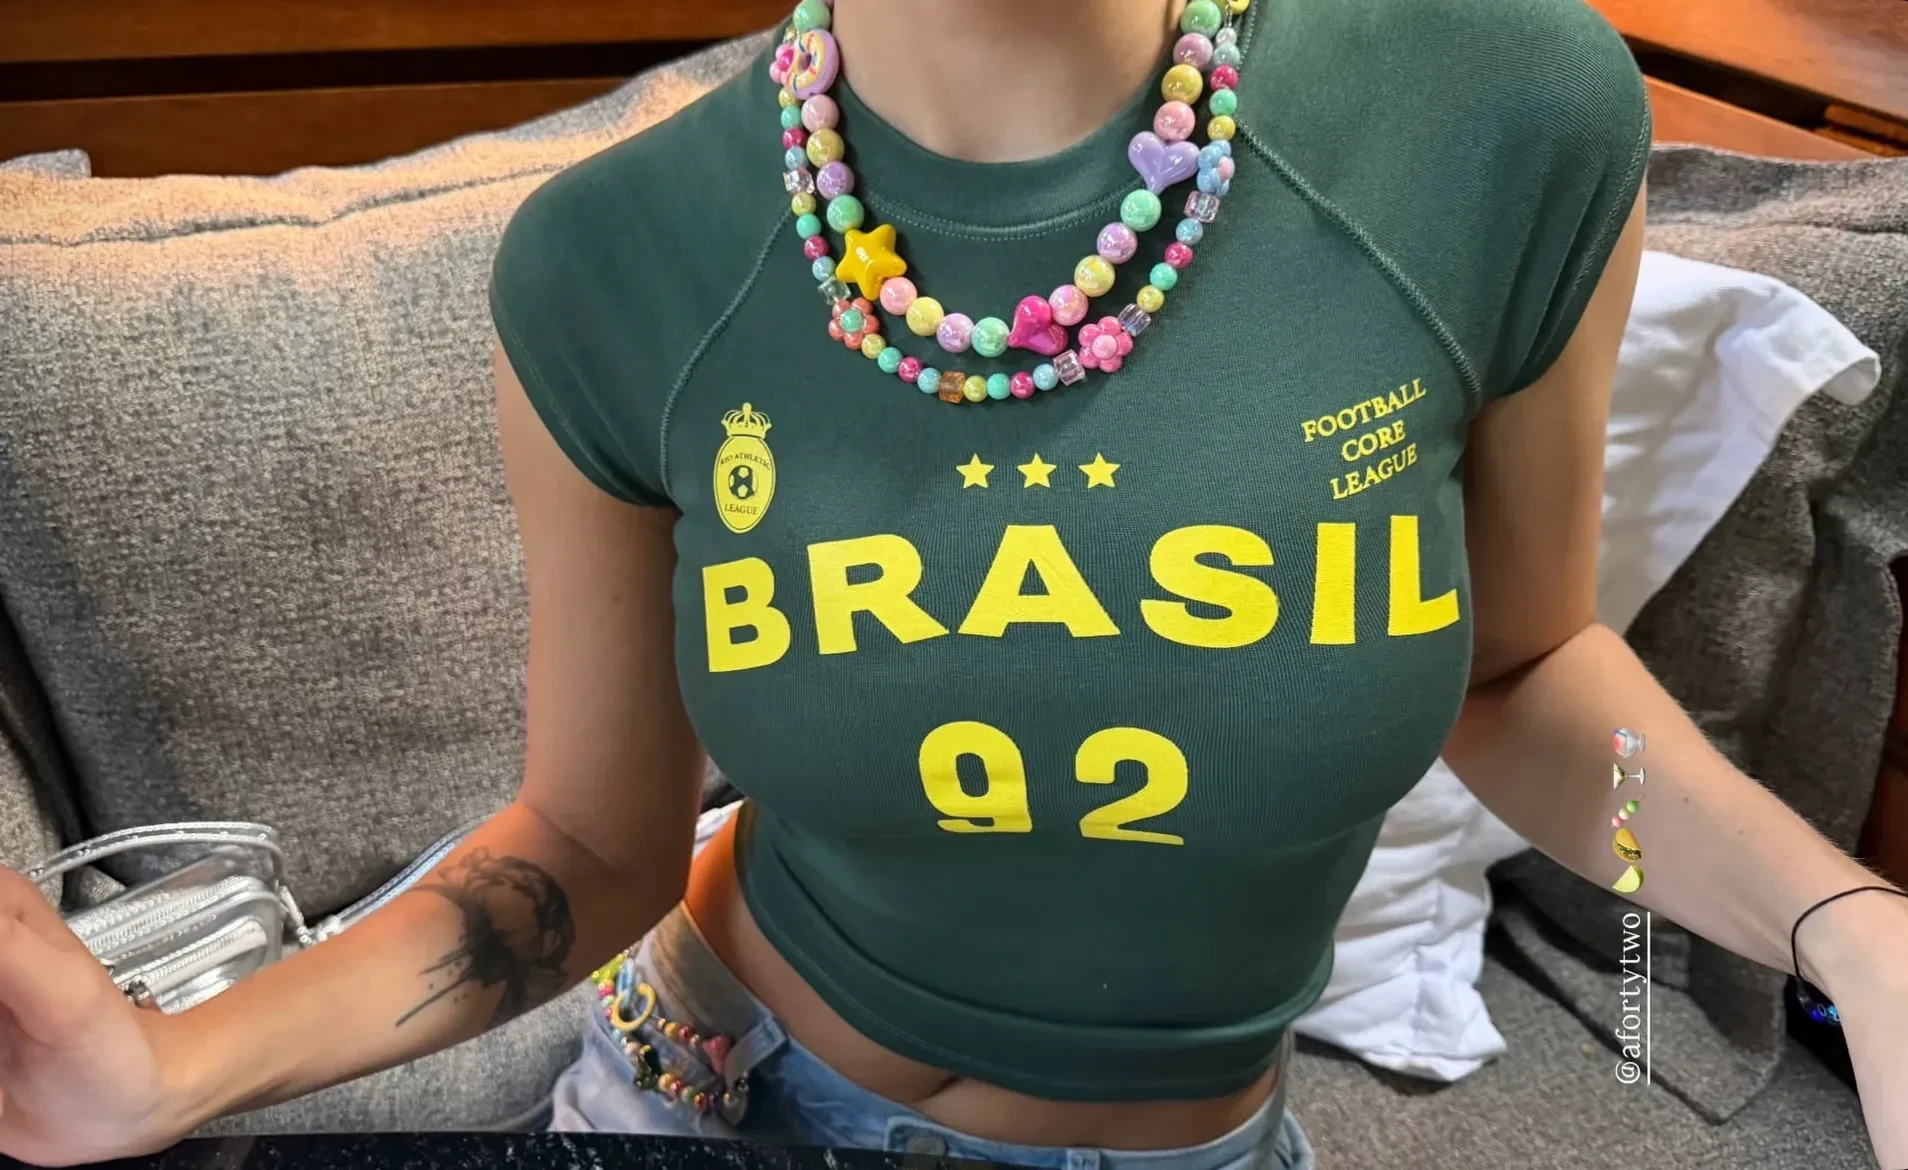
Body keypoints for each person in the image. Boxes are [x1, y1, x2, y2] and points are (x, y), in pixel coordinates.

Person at [1, 0, 1903, 1167]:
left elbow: (1521, 671)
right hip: (700, 1084)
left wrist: (1849, 930)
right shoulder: (611, 265)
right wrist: (162, 1070)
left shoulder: (1493, 110)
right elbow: (587, 840)